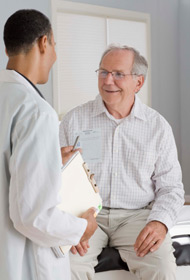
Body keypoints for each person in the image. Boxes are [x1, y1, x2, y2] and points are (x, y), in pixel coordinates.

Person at [59, 45, 185, 280]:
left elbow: (171, 188)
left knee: (163, 269)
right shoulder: (74, 119)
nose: (108, 80)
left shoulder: (157, 127)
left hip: (136, 217)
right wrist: (68, 222)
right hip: (85, 214)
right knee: (65, 265)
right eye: (103, 72)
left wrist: (160, 223)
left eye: (118, 74)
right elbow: (58, 179)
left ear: (138, 82)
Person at [0, 9, 97, 280]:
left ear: (8, 49)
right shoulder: (36, 111)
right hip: (26, 265)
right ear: (44, 43)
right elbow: (32, 216)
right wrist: (82, 228)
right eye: (54, 45)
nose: (55, 55)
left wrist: (49, 159)